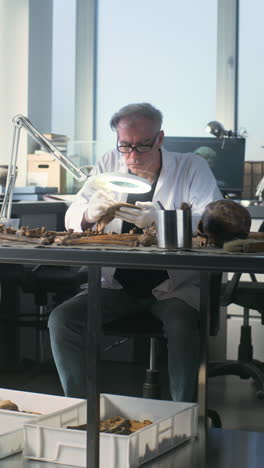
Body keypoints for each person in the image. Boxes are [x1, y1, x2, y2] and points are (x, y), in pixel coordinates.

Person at [48, 102, 222, 402]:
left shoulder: (191, 167)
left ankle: (184, 419)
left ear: (160, 138)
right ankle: (80, 412)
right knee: (62, 320)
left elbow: (212, 220)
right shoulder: (108, 164)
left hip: (174, 288)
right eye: (124, 146)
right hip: (117, 287)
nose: (132, 156)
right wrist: (89, 214)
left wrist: (159, 219)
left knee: (181, 326)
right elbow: (72, 216)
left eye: (142, 146)